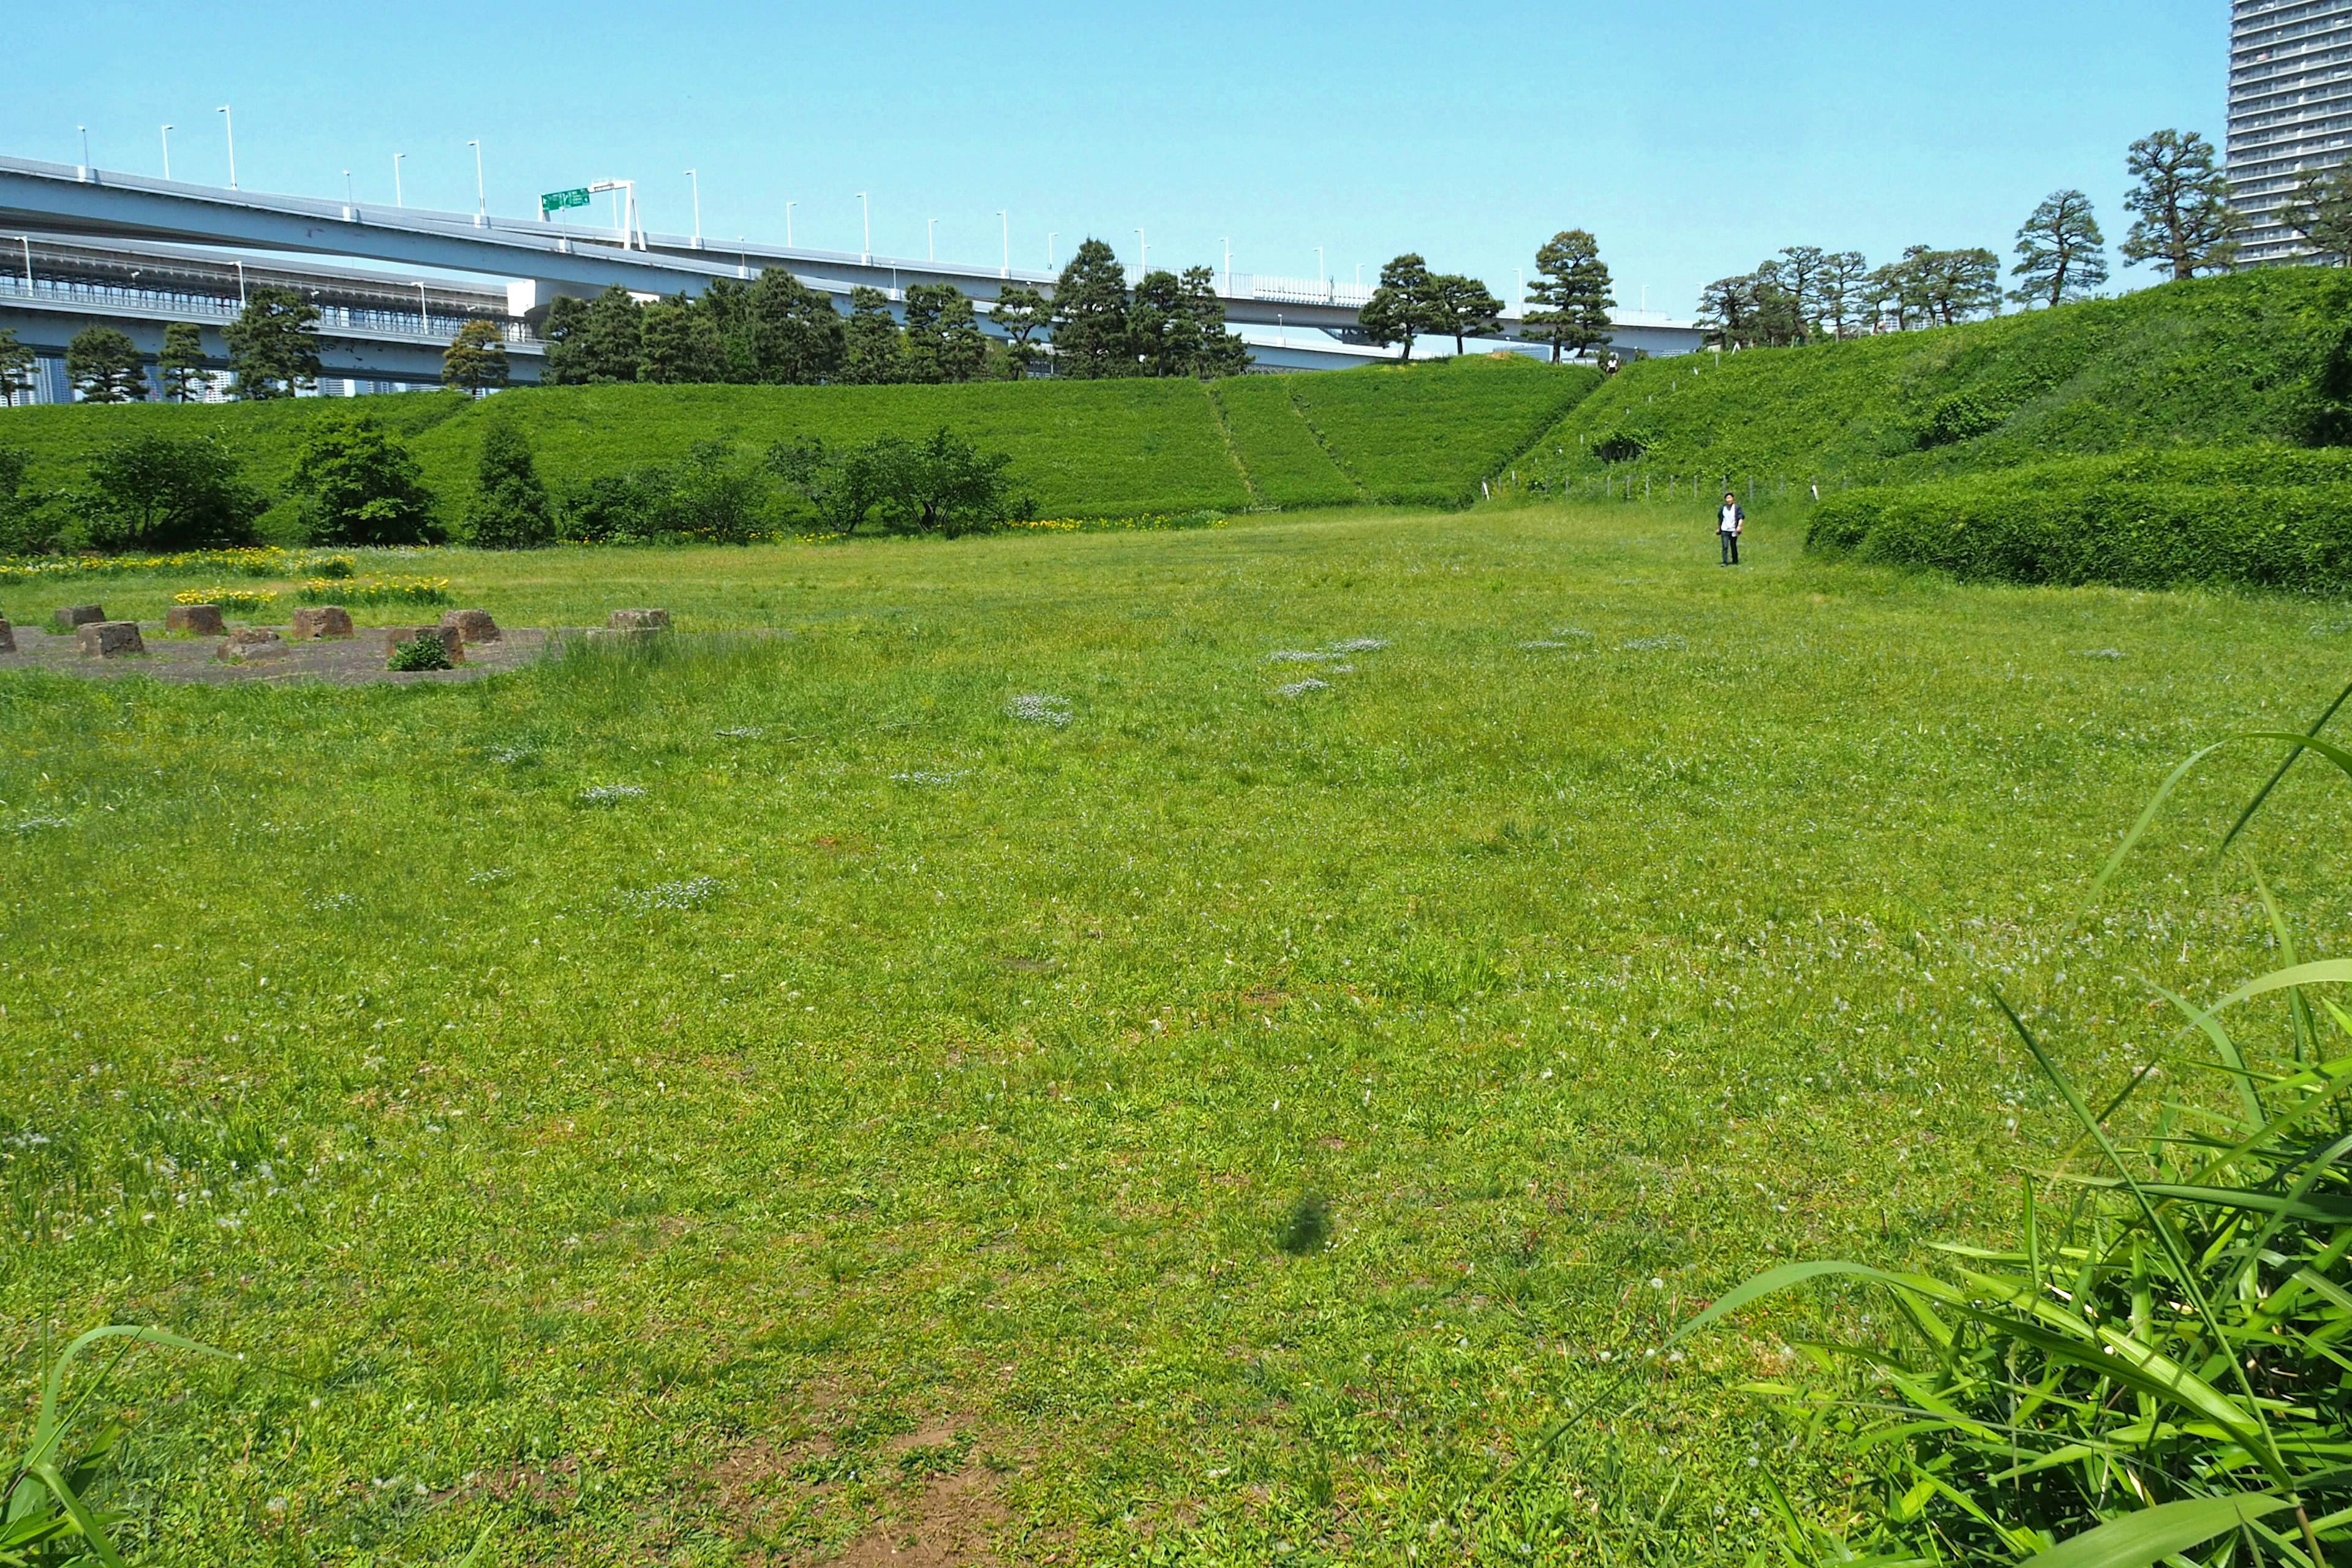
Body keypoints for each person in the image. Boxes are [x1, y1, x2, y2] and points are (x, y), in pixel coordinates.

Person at [1717, 491, 1744, 565]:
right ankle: (1725, 562)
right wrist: (1718, 528)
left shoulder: (1737, 508)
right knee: (1725, 546)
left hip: (1733, 530)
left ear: (1733, 499)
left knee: (1733, 546)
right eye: (1727, 498)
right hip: (1724, 530)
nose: (1729, 500)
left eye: (1730, 498)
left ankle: (1735, 561)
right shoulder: (1723, 508)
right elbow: (1720, 519)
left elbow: (1741, 517)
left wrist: (1739, 526)